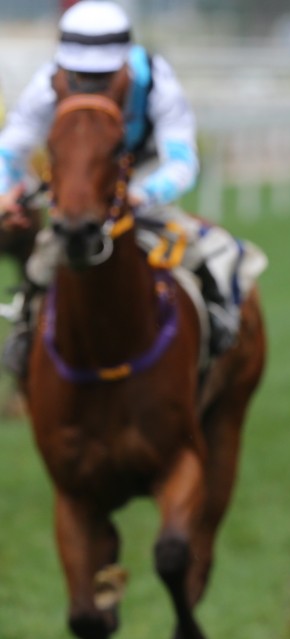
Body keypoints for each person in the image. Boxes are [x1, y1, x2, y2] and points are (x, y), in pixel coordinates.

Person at [0, 0, 245, 378]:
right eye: (79, 74)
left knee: (211, 248)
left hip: (140, 180)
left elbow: (181, 161)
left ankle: (217, 316)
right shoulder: (49, 83)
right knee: (42, 260)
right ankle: (24, 330)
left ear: (125, 64)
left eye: (102, 75)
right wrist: (6, 191)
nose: (90, 84)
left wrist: (143, 194)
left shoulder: (157, 81)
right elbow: (9, 149)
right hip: (78, 185)